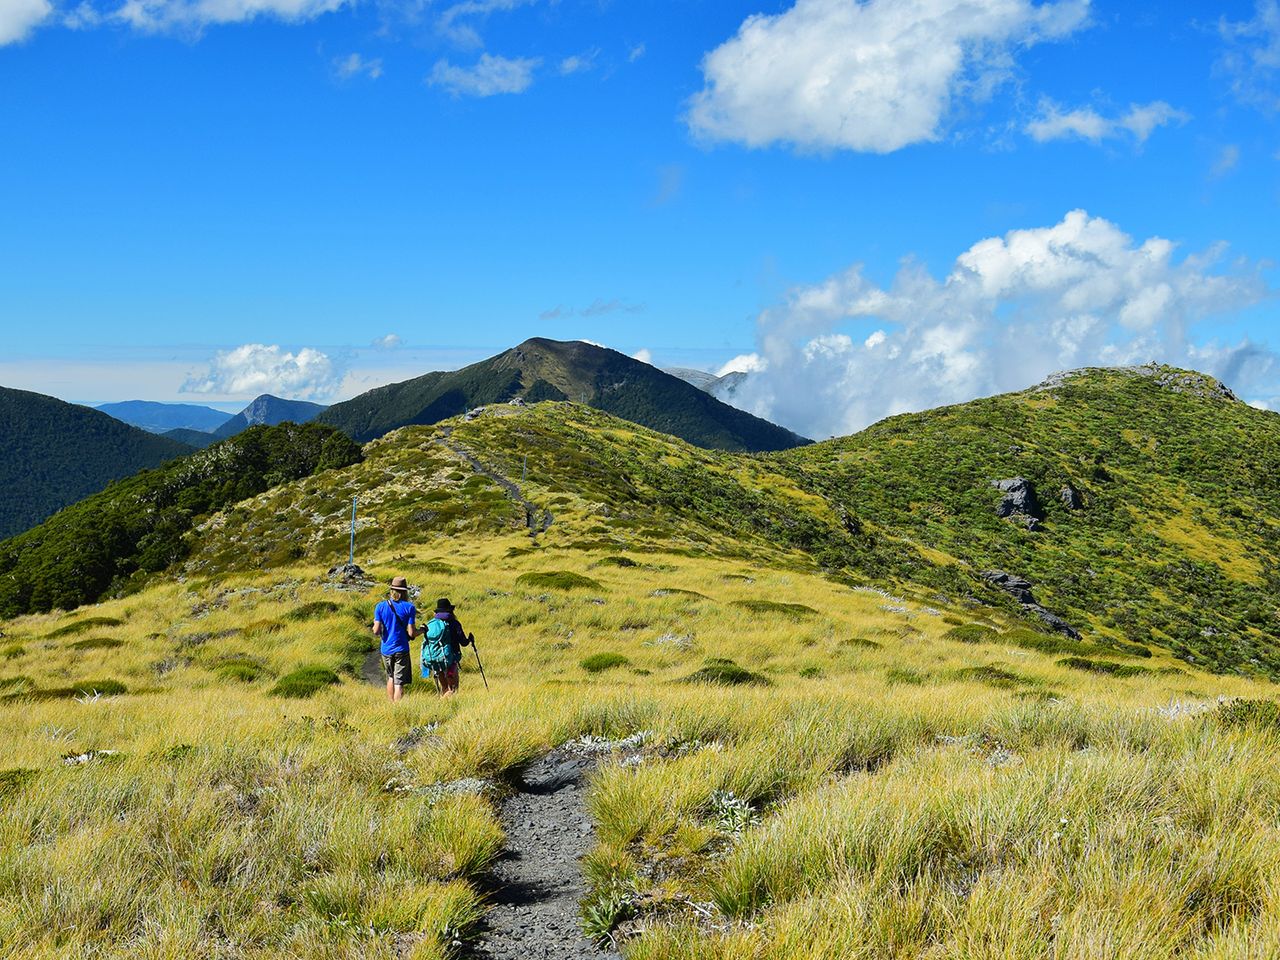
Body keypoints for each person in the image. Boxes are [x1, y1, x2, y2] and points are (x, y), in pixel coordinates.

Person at [372, 576, 418, 702]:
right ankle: (397, 708)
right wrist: (422, 631)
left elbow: (376, 631)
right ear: (405, 591)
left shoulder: (380, 606)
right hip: (401, 648)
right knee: (399, 682)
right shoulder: (409, 608)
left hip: (386, 649)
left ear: (392, 590)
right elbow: (412, 633)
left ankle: (391, 704)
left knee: (391, 677)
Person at [421, 597, 472, 697]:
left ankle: (443, 706)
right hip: (451, 659)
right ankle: (451, 708)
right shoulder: (454, 623)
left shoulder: (432, 624)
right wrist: (470, 639)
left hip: (437, 660)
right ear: (450, 610)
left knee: (444, 688)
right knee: (453, 689)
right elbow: (463, 642)